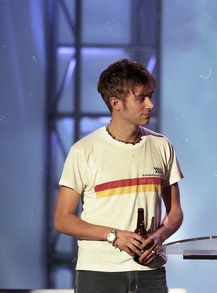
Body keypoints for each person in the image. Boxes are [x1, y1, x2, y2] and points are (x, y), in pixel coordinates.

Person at [54, 59, 184, 293]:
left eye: (151, 96)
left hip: (150, 273)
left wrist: (159, 236)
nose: (150, 104)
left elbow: (175, 212)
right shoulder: (84, 151)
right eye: (142, 98)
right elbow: (62, 219)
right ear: (117, 104)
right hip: (98, 273)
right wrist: (114, 236)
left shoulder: (162, 146)